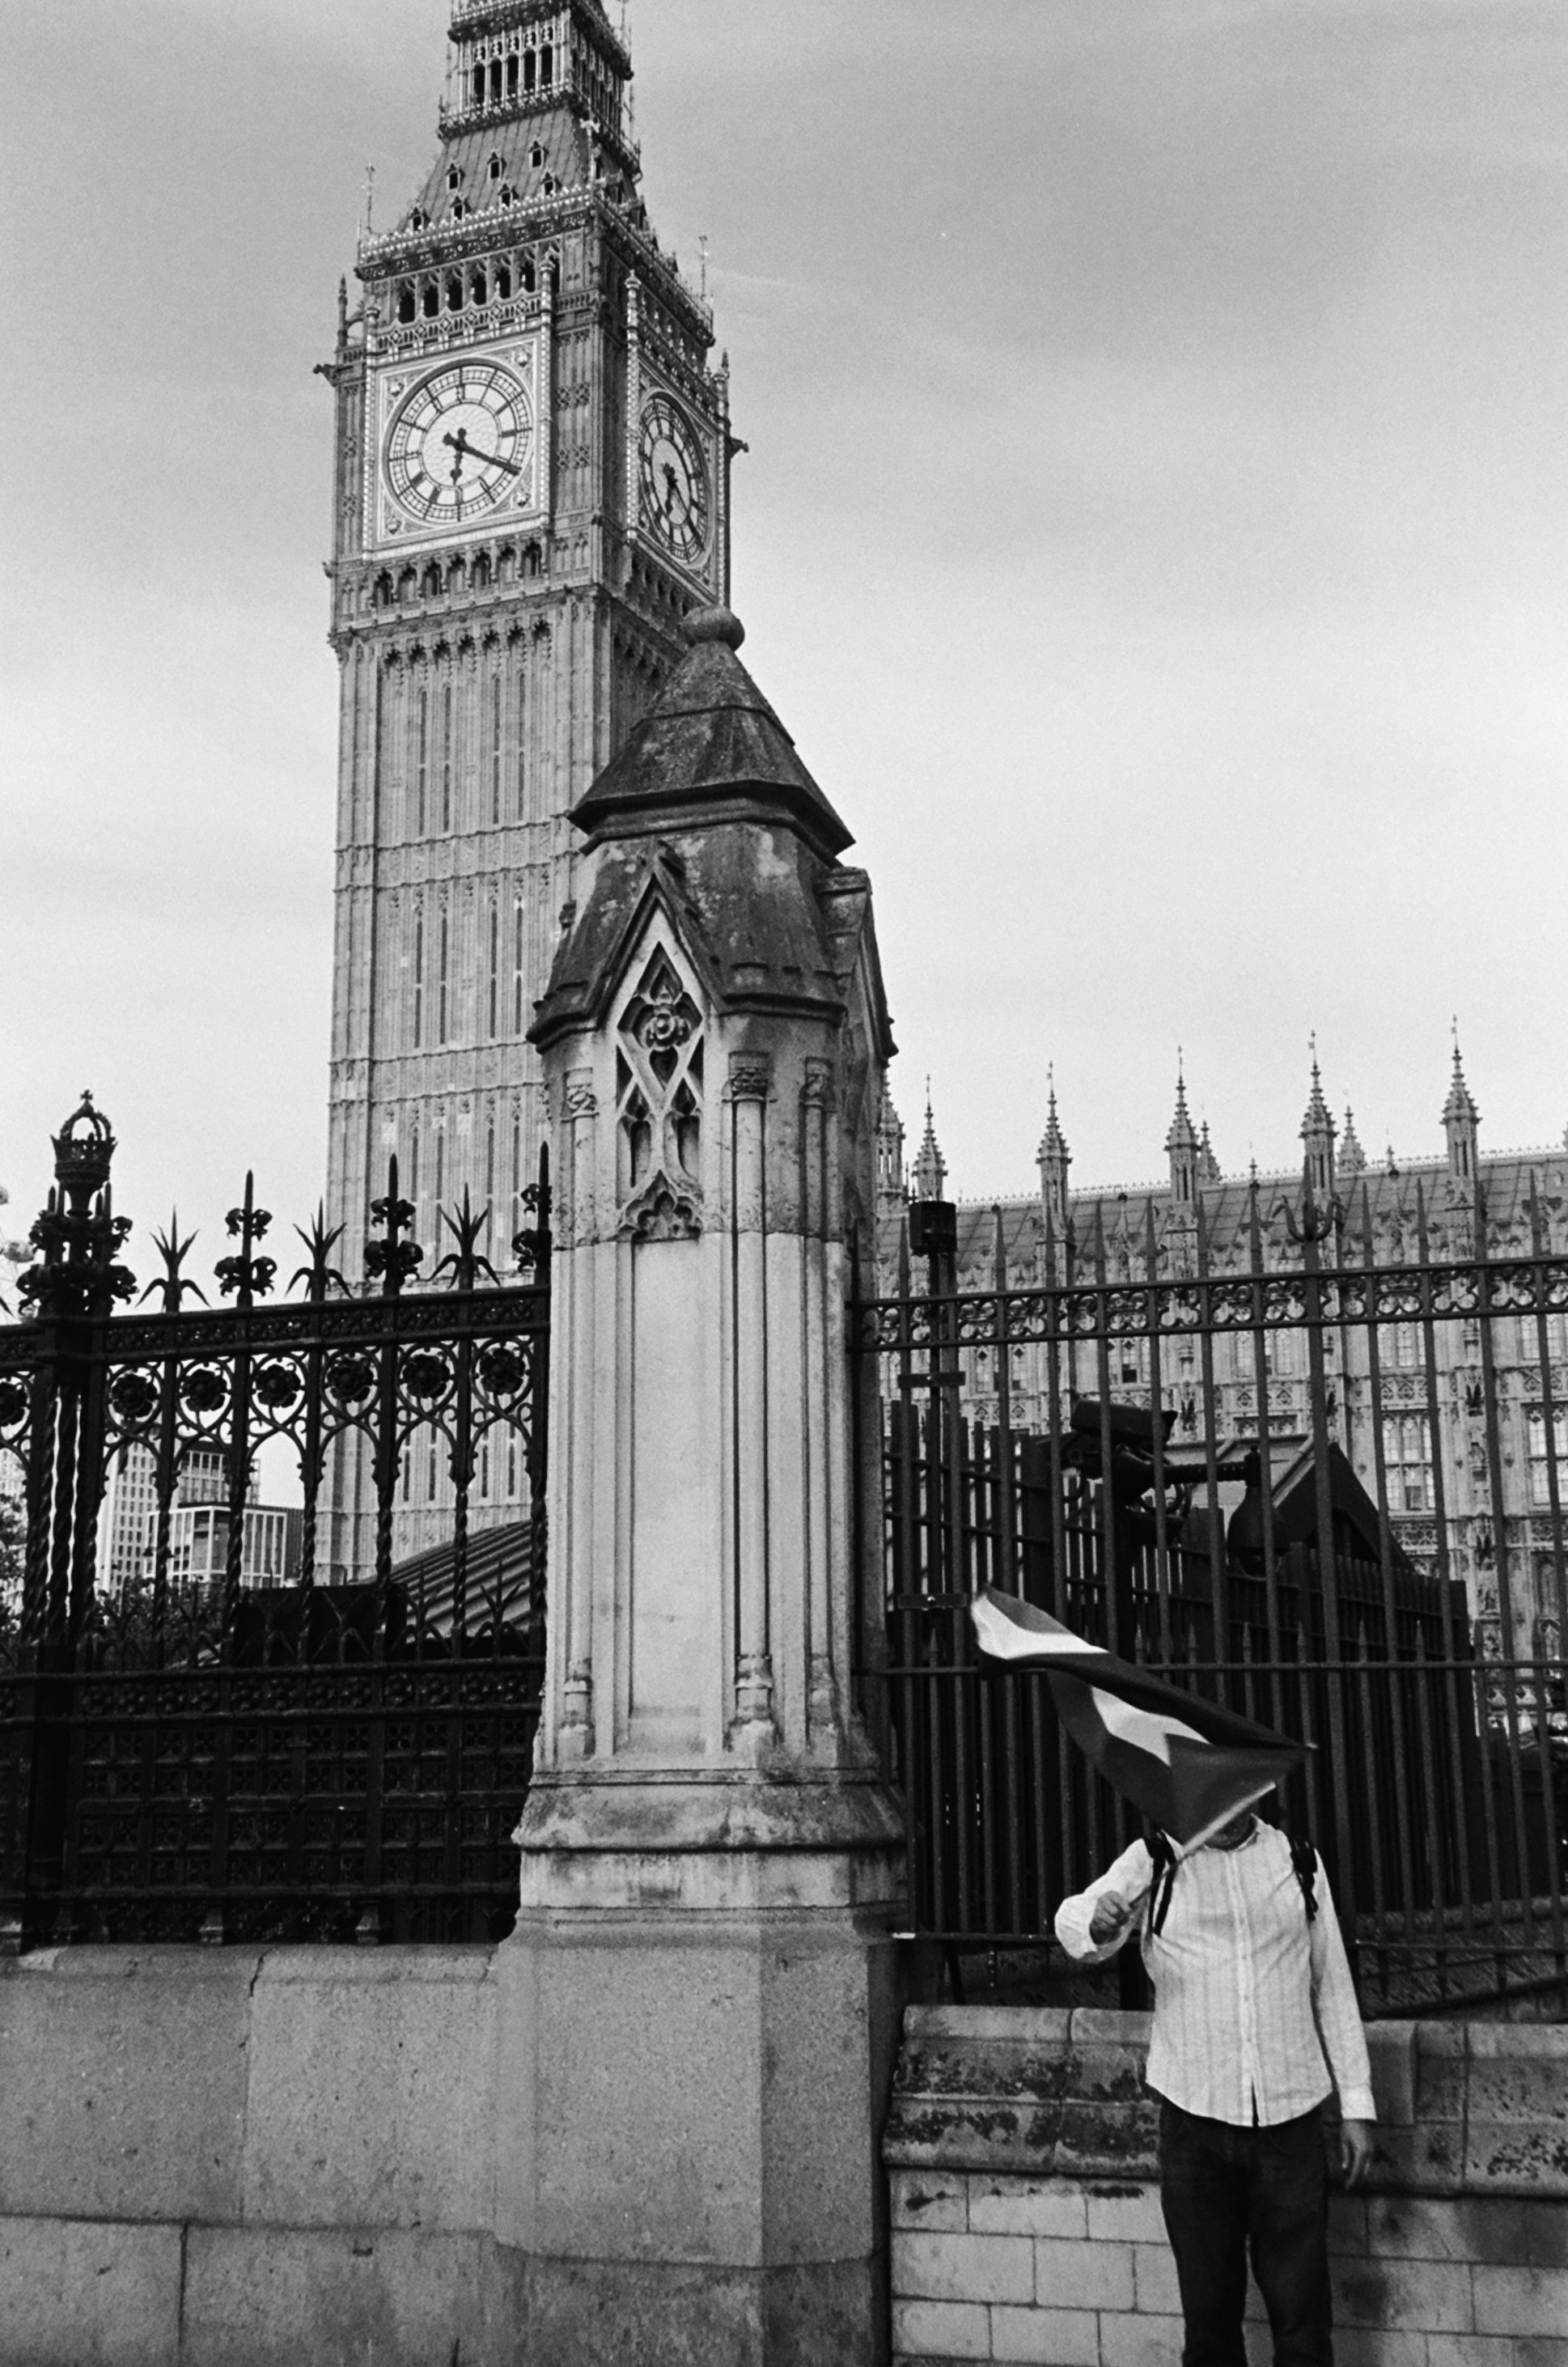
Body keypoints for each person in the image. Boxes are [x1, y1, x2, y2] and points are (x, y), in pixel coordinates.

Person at [1055, 1806, 1375, 2367]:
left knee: (1303, 2325)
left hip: (1290, 2122)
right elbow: (1076, 1922)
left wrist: (1357, 2104)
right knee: (1209, 2329)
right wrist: (1099, 1922)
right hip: (1193, 2122)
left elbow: (1332, 1985)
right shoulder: (1155, 1859)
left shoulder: (1297, 1859)